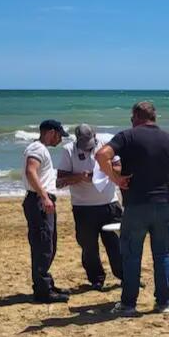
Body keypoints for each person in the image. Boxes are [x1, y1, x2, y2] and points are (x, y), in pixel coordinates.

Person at [96, 101, 169, 316]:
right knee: (162, 255)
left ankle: (129, 304)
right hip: (164, 204)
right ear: (154, 118)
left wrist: (115, 178)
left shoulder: (127, 136)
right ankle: (163, 303)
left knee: (131, 255)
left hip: (136, 204)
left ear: (136, 117)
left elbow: (101, 155)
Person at [56, 123, 123, 291]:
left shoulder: (106, 145)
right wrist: (79, 177)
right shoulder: (68, 150)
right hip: (83, 207)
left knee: (116, 244)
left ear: (95, 136)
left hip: (109, 204)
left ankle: (125, 276)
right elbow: (60, 180)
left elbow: (119, 168)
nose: (87, 149)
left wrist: (101, 172)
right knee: (88, 246)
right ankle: (96, 279)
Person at [22, 119, 69, 303]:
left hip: (40, 199)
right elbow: (30, 171)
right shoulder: (38, 149)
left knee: (48, 243)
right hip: (39, 201)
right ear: (51, 132)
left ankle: (45, 284)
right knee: (43, 244)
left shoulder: (40, 149)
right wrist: (44, 196)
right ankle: (43, 290)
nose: (60, 140)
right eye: (59, 135)